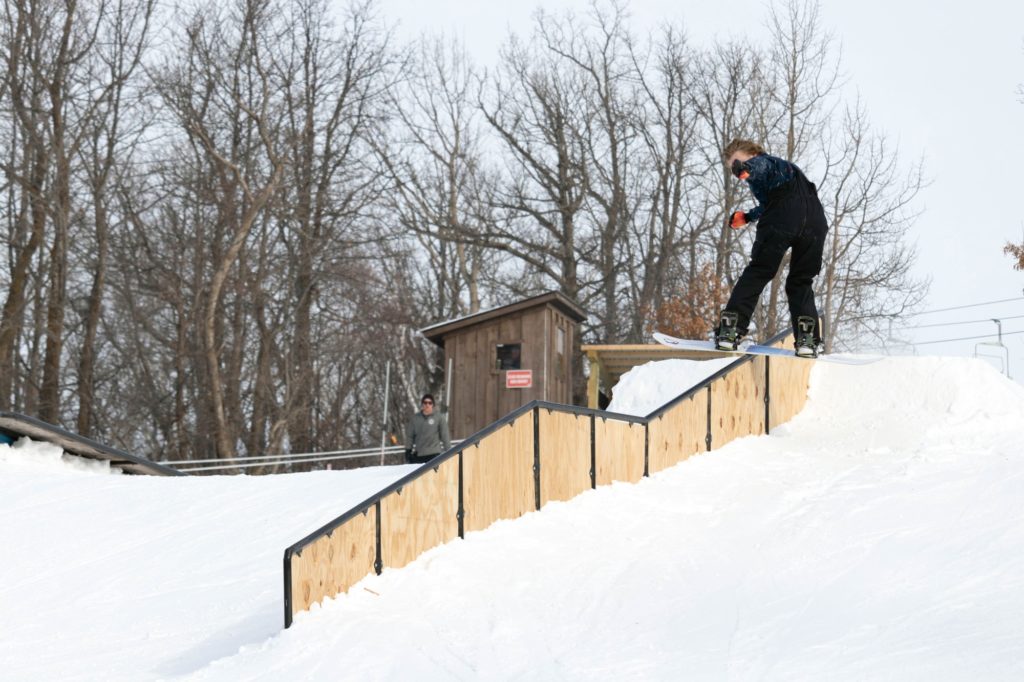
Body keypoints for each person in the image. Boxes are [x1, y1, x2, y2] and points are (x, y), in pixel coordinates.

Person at [716, 139, 829, 357]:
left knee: (759, 271)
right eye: (734, 168)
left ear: (753, 153)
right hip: (815, 223)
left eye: (739, 163)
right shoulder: (788, 174)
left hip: (782, 219)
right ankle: (807, 338)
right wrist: (749, 216)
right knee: (800, 281)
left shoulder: (767, 163)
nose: (737, 170)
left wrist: (748, 167)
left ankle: (731, 328)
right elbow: (773, 201)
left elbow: (763, 166)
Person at [404, 393, 451, 464]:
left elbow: (445, 436)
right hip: (419, 454)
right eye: (425, 403)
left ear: (433, 405)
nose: (427, 405)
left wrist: (449, 452)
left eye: (430, 403)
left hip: (434, 454)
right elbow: (410, 436)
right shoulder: (415, 419)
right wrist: (408, 450)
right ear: (422, 404)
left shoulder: (439, 418)